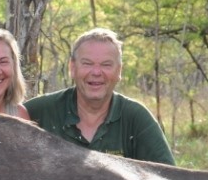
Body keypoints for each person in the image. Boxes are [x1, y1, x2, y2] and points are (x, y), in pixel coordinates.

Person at [23, 28, 175, 164]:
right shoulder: (37, 112)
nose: (96, 72)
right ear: (72, 68)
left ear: (119, 71)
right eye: (87, 63)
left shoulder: (137, 118)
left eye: (106, 65)